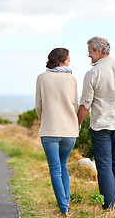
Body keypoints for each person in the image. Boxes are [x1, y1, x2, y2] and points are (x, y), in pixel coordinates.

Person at [78, 37, 115, 209]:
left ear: (98, 51)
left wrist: (77, 123)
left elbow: (85, 105)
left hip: (101, 127)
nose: (88, 55)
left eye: (90, 51)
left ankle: (111, 206)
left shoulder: (92, 73)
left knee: (104, 165)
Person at [35, 48, 79, 217]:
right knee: (63, 165)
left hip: (49, 130)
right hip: (70, 131)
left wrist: (44, 121)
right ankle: (65, 203)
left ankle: (63, 208)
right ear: (61, 62)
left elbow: (39, 105)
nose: (70, 62)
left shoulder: (42, 78)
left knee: (55, 169)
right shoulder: (72, 79)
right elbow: (75, 105)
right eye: (68, 59)